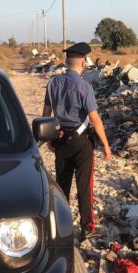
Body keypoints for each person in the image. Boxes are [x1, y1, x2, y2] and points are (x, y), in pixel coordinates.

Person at [42, 42, 112, 240]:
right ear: (83, 62)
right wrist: (106, 146)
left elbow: (46, 114)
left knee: (62, 184)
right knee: (84, 186)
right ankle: (87, 226)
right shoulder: (84, 87)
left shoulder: (52, 83)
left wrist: (49, 138)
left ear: (66, 62)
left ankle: (61, 227)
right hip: (81, 141)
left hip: (60, 138)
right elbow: (95, 120)